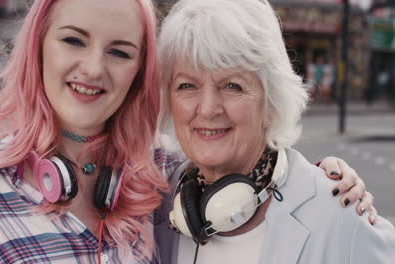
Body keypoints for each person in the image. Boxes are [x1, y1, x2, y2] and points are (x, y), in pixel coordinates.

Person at [0, 0, 376, 263]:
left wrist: (325, 182)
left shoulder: (159, 179)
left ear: (139, 72)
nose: (93, 68)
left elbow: (261, 171)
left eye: (120, 52)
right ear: (38, 46)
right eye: (73, 40)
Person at [155, 0, 395, 263]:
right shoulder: (155, 205)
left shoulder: (341, 214)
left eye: (232, 86)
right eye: (187, 85)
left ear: (271, 100)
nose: (208, 109)